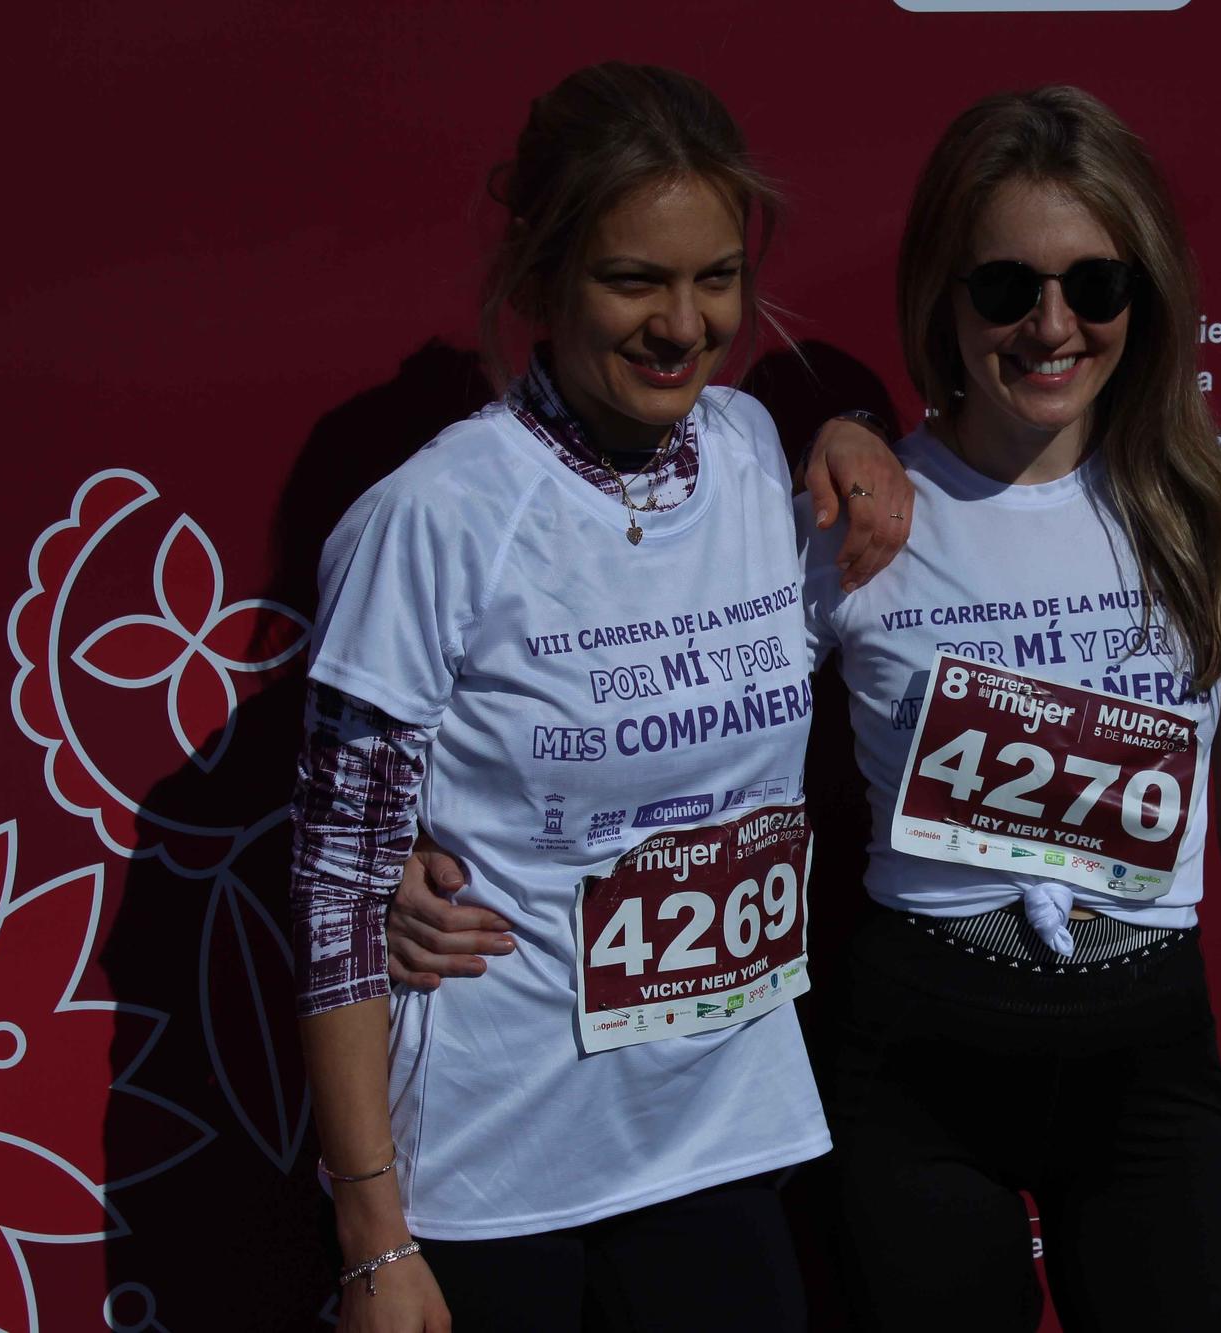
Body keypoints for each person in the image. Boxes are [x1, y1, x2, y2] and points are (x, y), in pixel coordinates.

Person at [393, 84, 1221, 1331]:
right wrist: (429, 853)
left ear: (1147, 292)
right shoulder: (854, 514)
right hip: (916, 1065)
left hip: (1148, 1052)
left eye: (1095, 287)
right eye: (1006, 290)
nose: (1051, 326)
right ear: (942, 296)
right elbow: (672, 722)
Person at [291, 63, 911, 1333]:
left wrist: (858, 422)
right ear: (536, 280)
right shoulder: (433, 521)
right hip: (493, 1176)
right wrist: (371, 1236)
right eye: (634, 280)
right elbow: (336, 897)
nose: (683, 325)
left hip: (720, 1148)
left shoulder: (755, 452)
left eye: (716, 279)